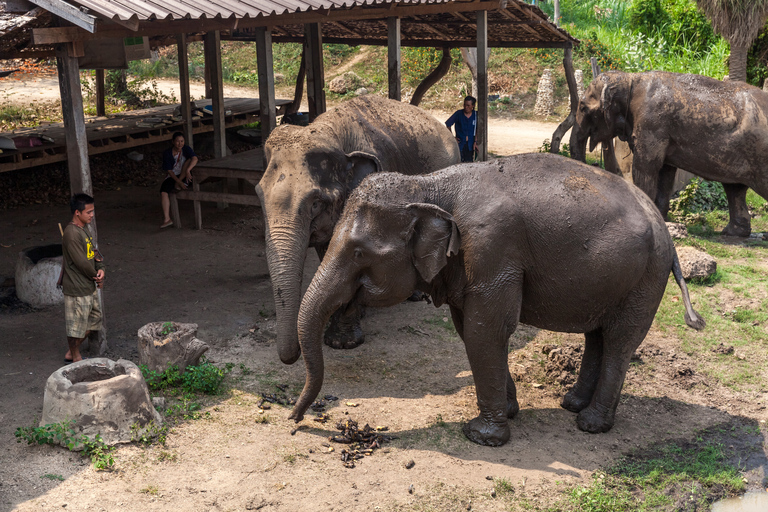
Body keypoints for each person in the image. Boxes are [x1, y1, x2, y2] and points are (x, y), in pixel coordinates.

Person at [62, 193, 105, 363]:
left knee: (95, 319)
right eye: (89, 212)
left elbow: (94, 253)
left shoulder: (84, 229)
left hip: (88, 284)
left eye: (93, 211)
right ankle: (75, 357)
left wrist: (101, 268)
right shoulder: (71, 234)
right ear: (77, 213)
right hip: (77, 287)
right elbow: (81, 262)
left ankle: (71, 352)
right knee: (76, 327)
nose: (92, 215)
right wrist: (96, 277)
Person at [160, 132, 198, 228]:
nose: (180, 143)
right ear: (173, 142)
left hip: (185, 174)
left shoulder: (186, 149)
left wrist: (188, 170)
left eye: (182, 141)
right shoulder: (167, 153)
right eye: (177, 141)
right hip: (173, 176)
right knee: (163, 192)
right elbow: (169, 171)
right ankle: (167, 219)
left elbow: (195, 158)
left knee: (189, 160)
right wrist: (178, 182)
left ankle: (180, 182)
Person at [445, 95, 479, 162]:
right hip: (460, 144)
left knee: (469, 162)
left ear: (473, 106)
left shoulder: (476, 115)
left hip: (470, 144)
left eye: (468, 105)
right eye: (465, 105)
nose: (466, 107)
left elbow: (478, 128)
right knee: (459, 162)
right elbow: (448, 124)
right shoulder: (458, 114)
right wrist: (453, 137)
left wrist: (475, 141)